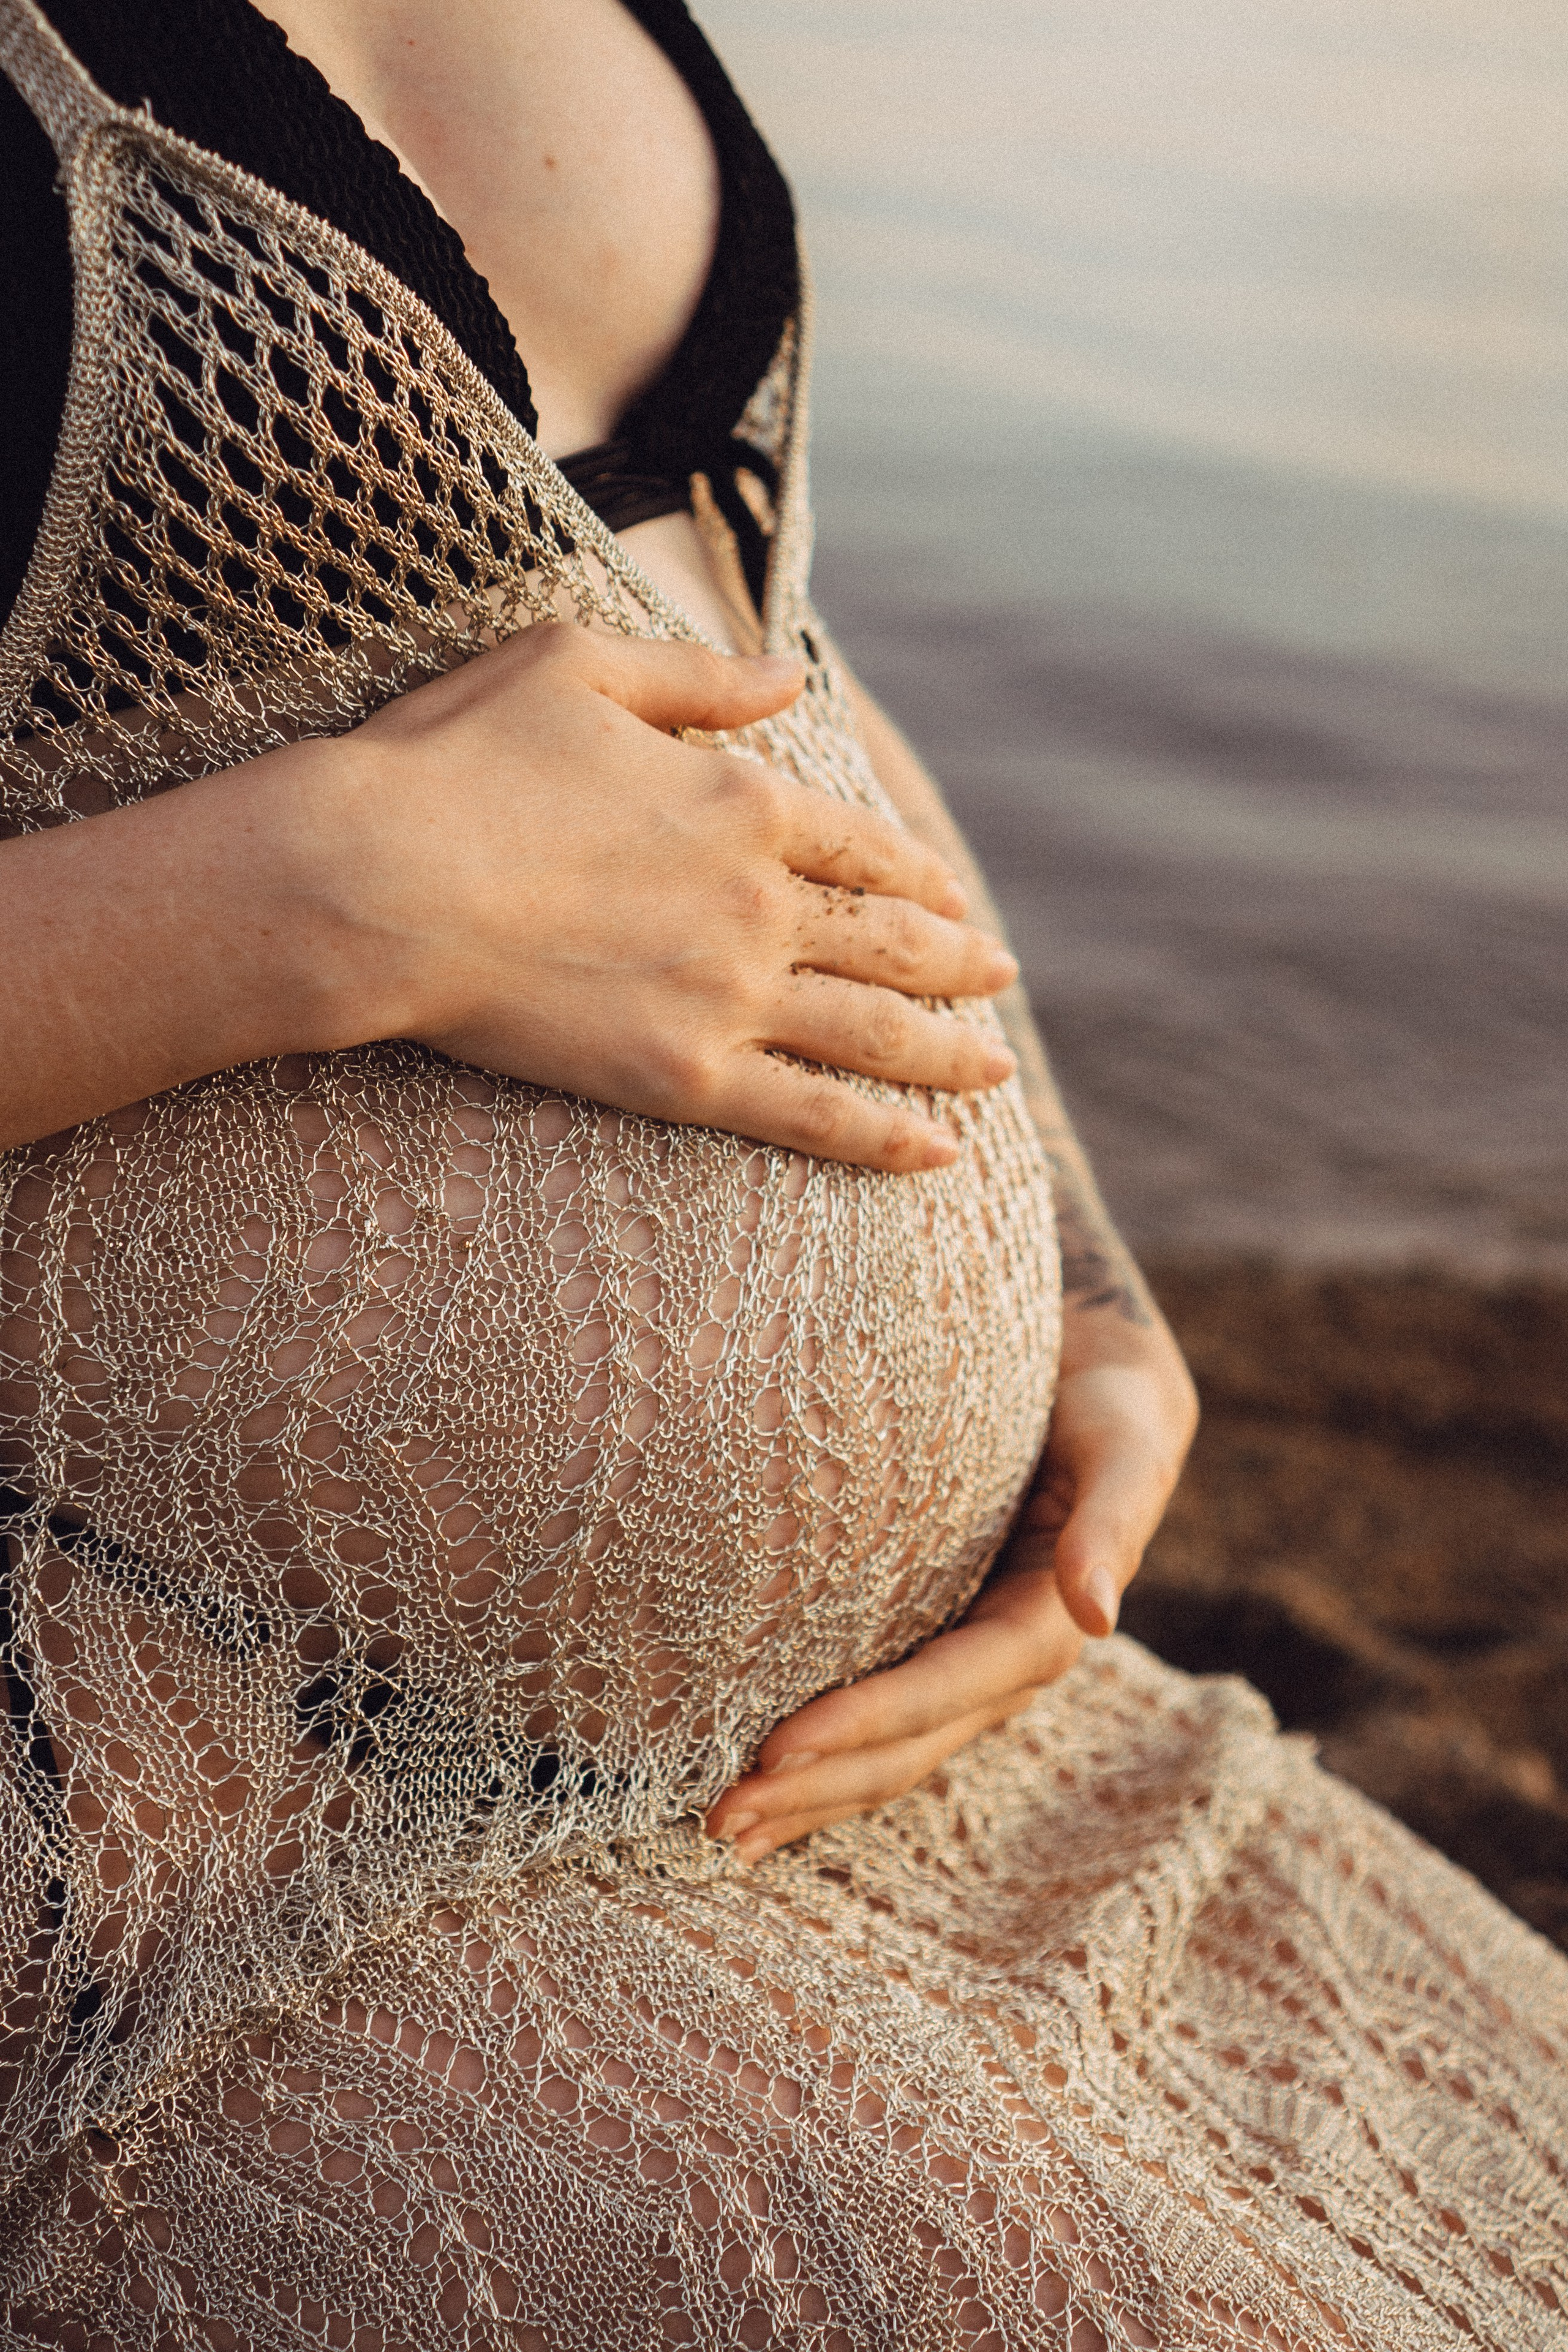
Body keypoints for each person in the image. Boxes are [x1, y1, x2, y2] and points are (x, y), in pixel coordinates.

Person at [0, 3, 1562, 2345]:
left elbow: (731, 618)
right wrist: (328, 894)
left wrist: (1081, 1271)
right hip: (204, 1802)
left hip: (936, 1746)